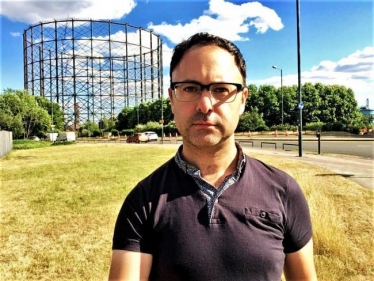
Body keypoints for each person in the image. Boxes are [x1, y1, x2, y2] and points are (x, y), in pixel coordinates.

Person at [109, 32, 317, 281]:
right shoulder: (143, 201)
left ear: (242, 100)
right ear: (172, 99)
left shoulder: (284, 191)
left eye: (220, 89)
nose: (205, 104)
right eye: (189, 88)